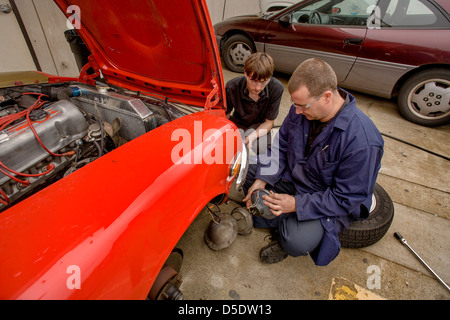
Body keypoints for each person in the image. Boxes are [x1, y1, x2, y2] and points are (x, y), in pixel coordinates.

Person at [242, 58, 384, 266]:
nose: (296, 111)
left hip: (324, 196)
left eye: (302, 106)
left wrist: (297, 204)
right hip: (295, 176)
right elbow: (281, 146)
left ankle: (287, 227)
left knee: (296, 242)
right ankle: (283, 216)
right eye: (294, 105)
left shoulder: (362, 141)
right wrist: (262, 180)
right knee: (245, 172)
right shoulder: (301, 109)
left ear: (327, 97)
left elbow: (347, 197)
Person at [226, 52, 284, 154]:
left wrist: (252, 137)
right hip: (238, 122)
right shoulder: (232, 86)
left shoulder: (276, 89)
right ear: (245, 73)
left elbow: (269, 122)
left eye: (263, 82)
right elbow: (225, 115)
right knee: (226, 145)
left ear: (270, 78)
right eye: (253, 81)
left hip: (260, 125)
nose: (257, 88)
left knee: (261, 147)